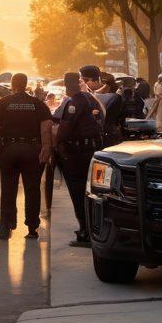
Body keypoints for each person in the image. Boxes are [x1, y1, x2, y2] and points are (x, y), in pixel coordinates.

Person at [0, 73, 53, 241]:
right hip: (32, 150)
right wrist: (46, 148)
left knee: (8, 188)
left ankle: (6, 225)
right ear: (26, 85)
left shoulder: (3, 103)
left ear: (12, 84)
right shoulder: (37, 104)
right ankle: (32, 228)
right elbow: (46, 127)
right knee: (32, 189)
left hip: (8, 150)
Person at [53, 70, 104, 247]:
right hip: (91, 150)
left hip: (78, 153)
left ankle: (85, 231)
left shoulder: (75, 102)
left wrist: (56, 144)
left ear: (69, 86)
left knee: (78, 192)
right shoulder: (90, 98)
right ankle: (91, 228)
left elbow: (65, 129)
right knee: (90, 192)